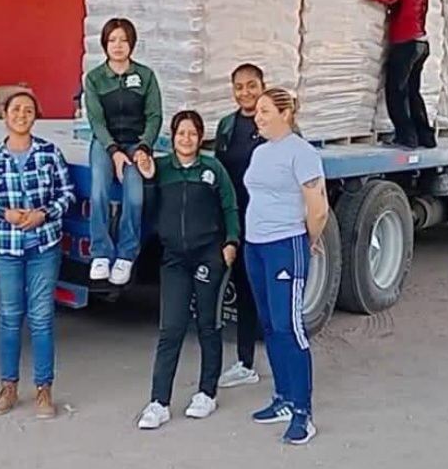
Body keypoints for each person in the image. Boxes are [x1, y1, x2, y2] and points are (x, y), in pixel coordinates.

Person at [0, 91, 76, 419]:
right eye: (16, 109)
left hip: (43, 246)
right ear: (5, 115)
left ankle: (44, 390)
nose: (21, 115)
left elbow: (67, 193)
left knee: (42, 318)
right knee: (10, 317)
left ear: (35, 116)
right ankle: (9, 387)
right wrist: (5, 214)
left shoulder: (49, 153)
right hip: (7, 247)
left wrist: (44, 213)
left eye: (28, 110)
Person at [135, 110, 240, 430]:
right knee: (172, 328)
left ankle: (207, 393)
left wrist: (231, 241)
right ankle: (159, 402)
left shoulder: (212, 169)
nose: (186, 139)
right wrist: (149, 176)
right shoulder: (163, 168)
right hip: (175, 259)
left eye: (192, 133)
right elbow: (149, 208)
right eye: (181, 133)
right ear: (173, 135)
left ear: (200, 137)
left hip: (209, 255)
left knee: (208, 324)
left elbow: (230, 206)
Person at [243, 88, 329, 445]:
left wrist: (309, 239)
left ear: (285, 113)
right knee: (269, 325)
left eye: (264, 111)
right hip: (256, 246)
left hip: (285, 245)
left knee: (289, 326)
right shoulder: (260, 152)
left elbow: (318, 206)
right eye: (256, 112)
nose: (257, 117)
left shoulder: (302, 153)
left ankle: (302, 412)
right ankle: (282, 398)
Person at [83, 17, 163, 286]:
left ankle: (127, 254)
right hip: (106, 143)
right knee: (99, 191)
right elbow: (96, 121)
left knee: (135, 195)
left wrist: (143, 148)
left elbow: (154, 116)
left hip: (136, 143)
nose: (118, 46)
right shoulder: (94, 78)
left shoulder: (145, 76)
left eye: (124, 40)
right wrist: (114, 151)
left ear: (132, 44)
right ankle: (101, 253)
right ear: (105, 44)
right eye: (112, 40)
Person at [213, 64, 266, 389]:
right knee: (243, 291)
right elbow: (219, 173)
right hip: (236, 219)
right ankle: (245, 363)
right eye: (239, 87)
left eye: (251, 85)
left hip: (268, 221)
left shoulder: (274, 122)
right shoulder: (227, 125)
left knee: (269, 293)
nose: (245, 92)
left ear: (263, 86)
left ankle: (284, 365)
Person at [362, 0, 437, 149]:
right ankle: (425, 136)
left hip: (406, 43)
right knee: (413, 91)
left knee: (396, 90)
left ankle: (406, 136)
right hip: (421, 43)